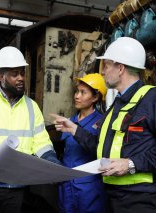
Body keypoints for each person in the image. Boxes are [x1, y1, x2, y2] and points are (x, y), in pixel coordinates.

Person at [52, 37, 156, 213]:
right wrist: (74, 129)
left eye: (106, 65)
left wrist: (131, 164)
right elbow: (102, 147)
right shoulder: (117, 105)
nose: (102, 72)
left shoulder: (155, 99)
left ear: (120, 68)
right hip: (115, 197)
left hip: (144, 199)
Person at [0, 46, 61, 213]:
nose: (21, 78)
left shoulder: (32, 107)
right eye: (14, 74)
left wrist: (53, 164)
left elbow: (41, 143)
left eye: (22, 73)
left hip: (17, 188)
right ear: (1, 76)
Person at [58, 73, 107, 213]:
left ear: (95, 97)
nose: (76, 96)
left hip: (89, 189)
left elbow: (101, 151)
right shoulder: (69, 121)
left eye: (83, 92)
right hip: (66, 186)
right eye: (77, 91)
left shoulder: (102, 123)